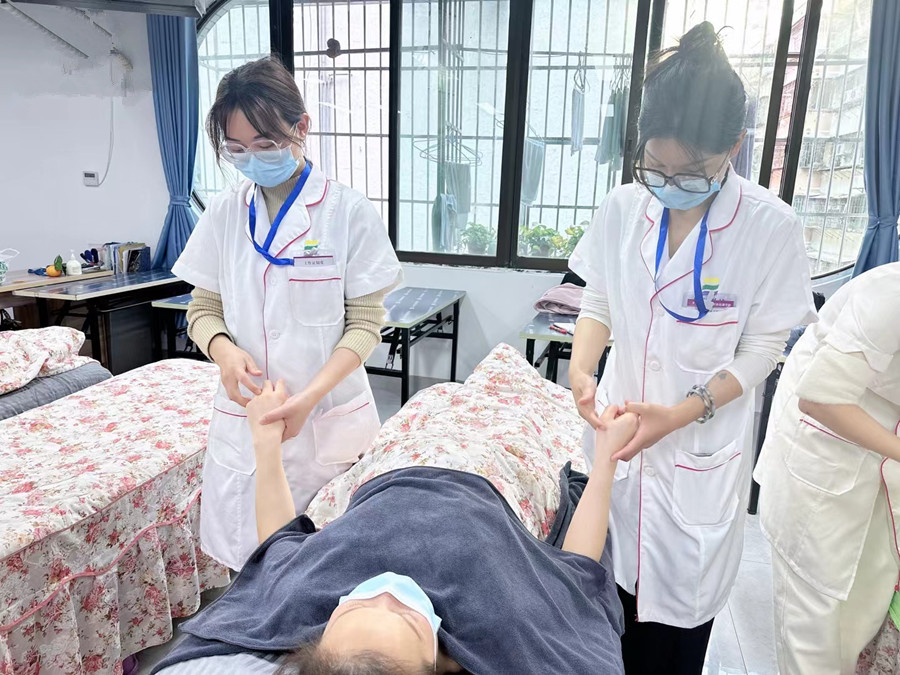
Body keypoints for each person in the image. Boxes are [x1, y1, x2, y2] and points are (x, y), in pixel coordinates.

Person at [567, 22, 816, 673]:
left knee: (671, 649)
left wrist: (681, 413)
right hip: (618, 448)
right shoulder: (624, 208)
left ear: (733, 146)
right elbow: (598, 300)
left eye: (692, 171)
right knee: (600, 629)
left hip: (696, 459)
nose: (670, 182)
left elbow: (763, 349)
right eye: (656, 166)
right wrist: (582, 368)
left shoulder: (769, 227)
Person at [152, 381, 635, 674]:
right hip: (497, 462)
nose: (389, 591)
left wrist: (265, 442)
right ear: (437, 659)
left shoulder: (303, 598)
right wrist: (606, 460)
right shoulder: (508, 626)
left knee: (440, 394)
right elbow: (579, 570)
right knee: (520, 388)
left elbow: (277, 545)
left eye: (357, 603)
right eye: (406, 617)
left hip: (404, 448)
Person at [172, 58, 402, 571]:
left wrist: (309, 397)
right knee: (252, 569)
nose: (251, 158)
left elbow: (366, 324)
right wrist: (223, 352)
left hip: (325, 420)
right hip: (247, 417)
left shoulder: (347, 212)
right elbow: (203, 309)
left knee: (330, 569)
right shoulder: (226, 212)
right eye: (237, 149)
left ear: (301, 127)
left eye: (265, 143)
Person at [753, 262, 900, 674]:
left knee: (862, 613)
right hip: (821, 457)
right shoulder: (890, 295)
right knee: (812, 628)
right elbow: (820, 398)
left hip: (880, 458)